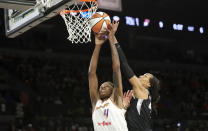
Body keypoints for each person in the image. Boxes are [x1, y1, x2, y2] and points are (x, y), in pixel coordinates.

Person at [113, 21, 160, 131]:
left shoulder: (143, 91)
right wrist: (125, 107)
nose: (141, 75)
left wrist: (113, 36)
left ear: (148, 84)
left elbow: (124, 64)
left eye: (145, 76)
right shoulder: (138, 96)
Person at [88, 22, 128, 131]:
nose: (102, 87)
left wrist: (111, 39)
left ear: (113, 89)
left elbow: (116, 68)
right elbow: (91, 74)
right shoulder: (96, 102)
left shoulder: (116, 99)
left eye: (106, 86)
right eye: (101, 86)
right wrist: (97, 46)